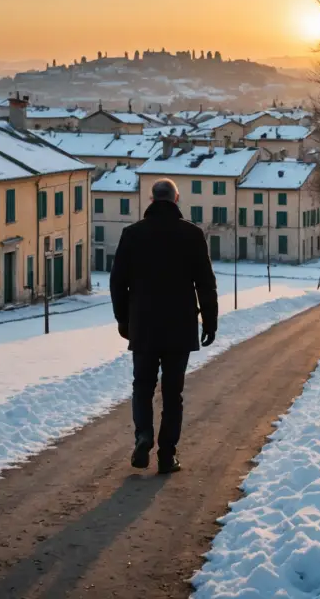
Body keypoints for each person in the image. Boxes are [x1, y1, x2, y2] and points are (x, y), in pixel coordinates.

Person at [110, 178, 218, 475]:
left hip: (143, 325)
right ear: (175, 199)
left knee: (142, 386)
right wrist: (209, 320)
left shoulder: (132, 234)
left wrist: (123, 319)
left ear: (151, 199)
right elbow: (205, 283)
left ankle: (143, 435)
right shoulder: (192, 235)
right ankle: (167, 455)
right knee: (173, 394)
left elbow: (118, 282)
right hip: (180, 326)